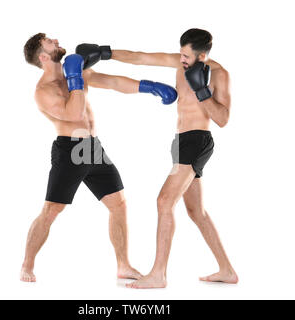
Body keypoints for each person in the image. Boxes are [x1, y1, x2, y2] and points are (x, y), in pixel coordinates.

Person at [79, 28, 238, 288]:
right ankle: (227, 270)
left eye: (187, 56)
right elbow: (141, 57)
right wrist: (106, 52)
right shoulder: (179, 62)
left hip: (197, 141)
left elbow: (223, 119)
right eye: (181, 53)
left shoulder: (220, 75)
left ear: (203, 55)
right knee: (196, 212)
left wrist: (202, 91)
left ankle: (158, 274)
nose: (182, 59)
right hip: (181, 142)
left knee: (164, 201)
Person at [21, 33, 177, 282]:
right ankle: (27, 265)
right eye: (50, 42)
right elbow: (74, 113)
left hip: (93, 148)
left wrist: (149, 87)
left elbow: (114, 82)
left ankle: (123, 265)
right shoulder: (44, 91)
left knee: (118, 204)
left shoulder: (77, 74)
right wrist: (74, 77)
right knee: (52, 210)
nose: (57, 41)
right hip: (70, 150)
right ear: (42, 56)